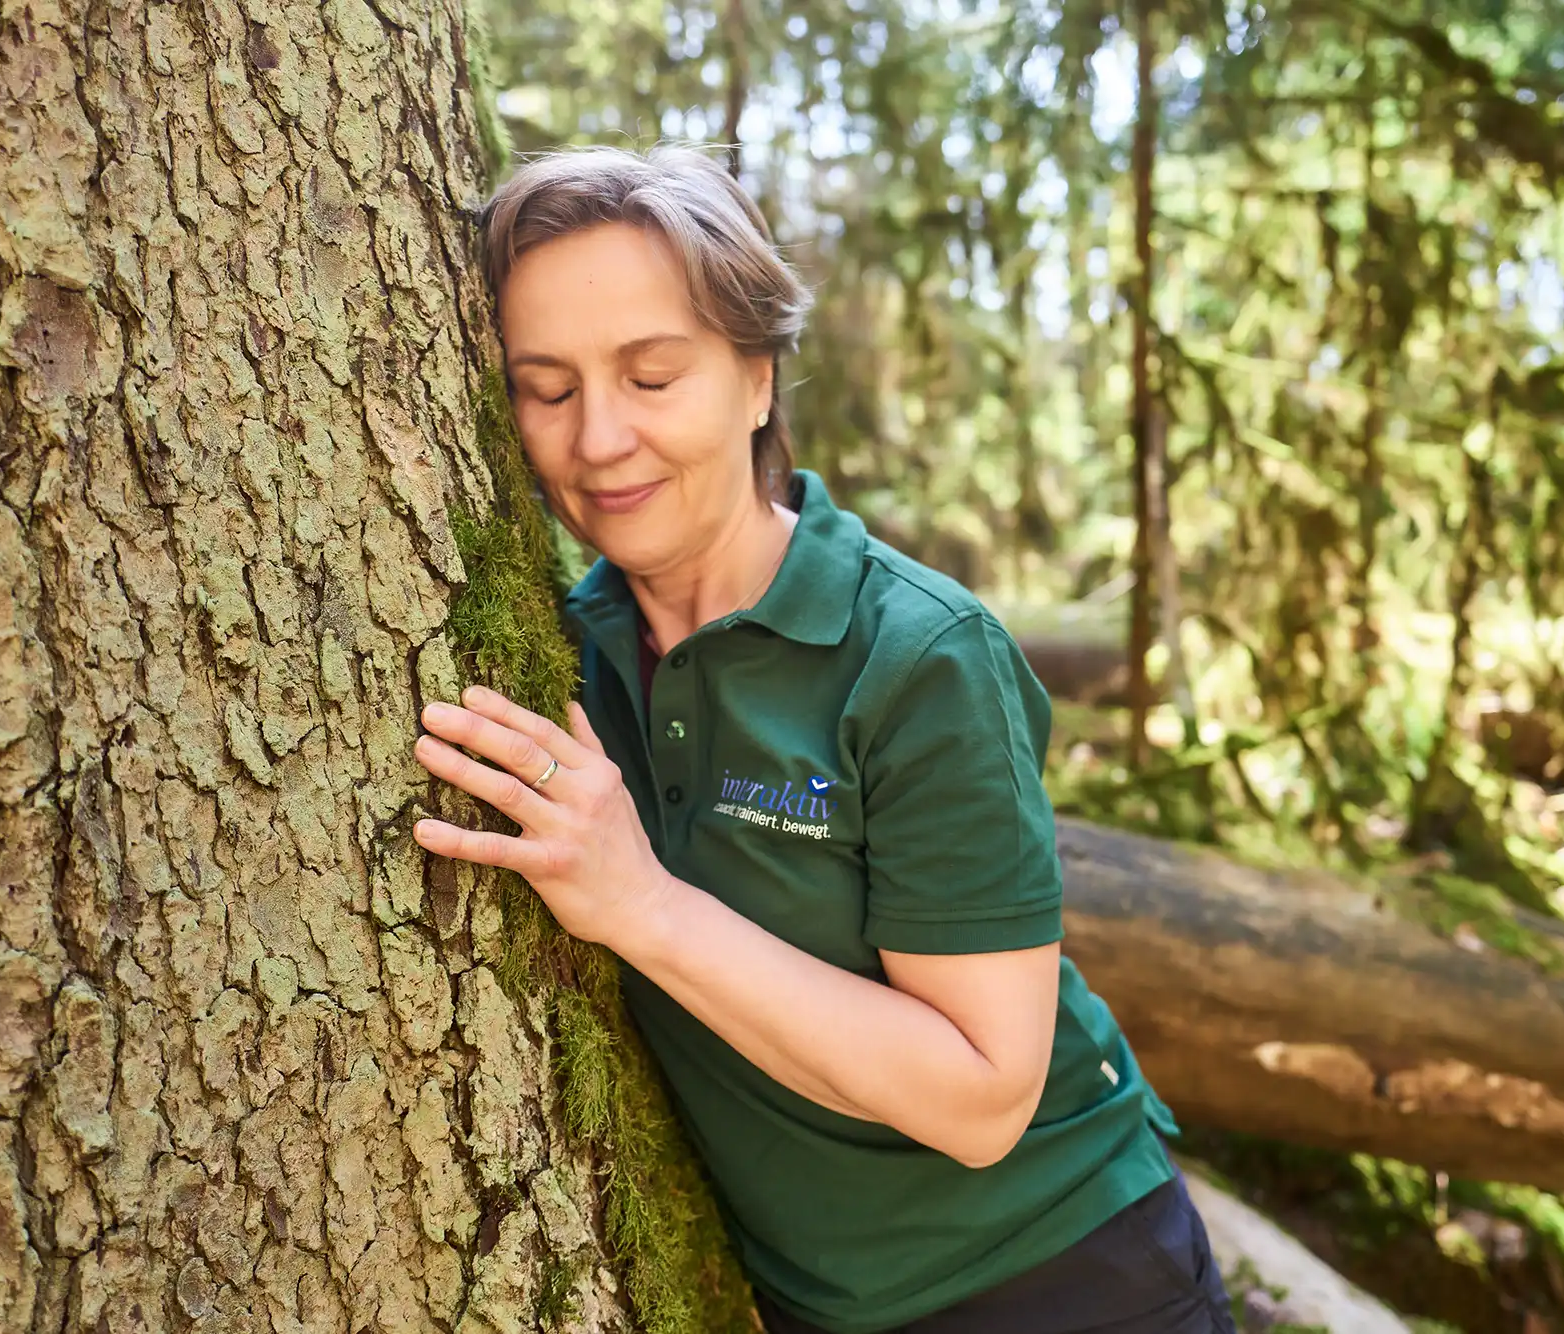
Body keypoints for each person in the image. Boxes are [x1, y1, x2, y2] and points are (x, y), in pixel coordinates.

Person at [410, 143, 1235, 1334]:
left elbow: (981, 1096)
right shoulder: (552, 657)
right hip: (805, 1305)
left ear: (757, 376)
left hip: (1062, 1276)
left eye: (652, 376)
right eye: (548, 388)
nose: (597, 441)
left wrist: (637, 899)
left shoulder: (917, 655)